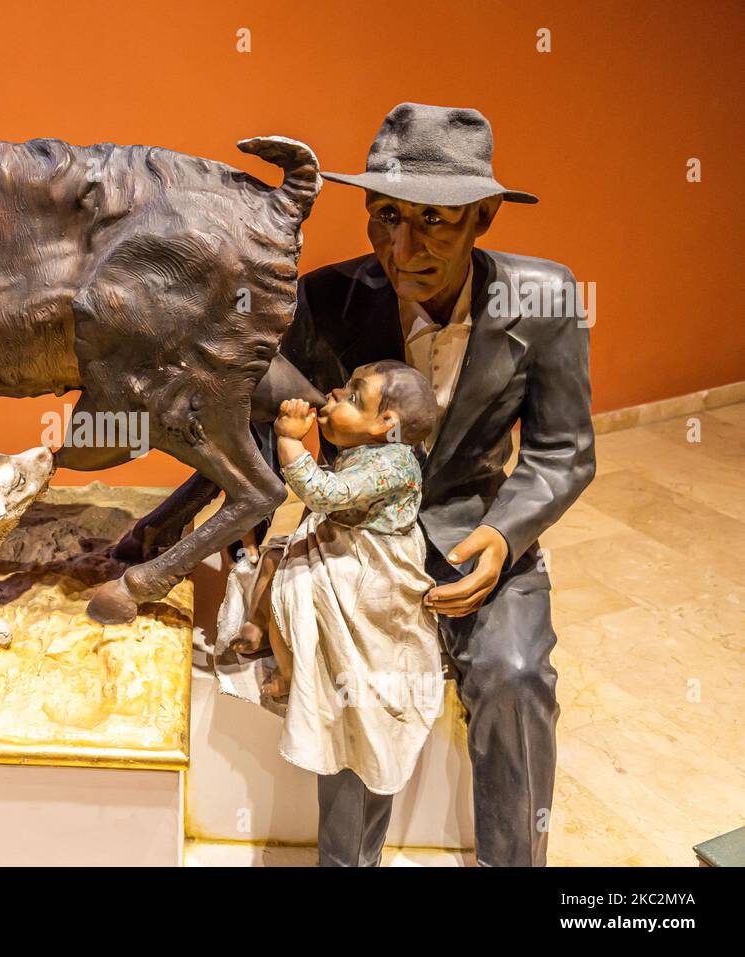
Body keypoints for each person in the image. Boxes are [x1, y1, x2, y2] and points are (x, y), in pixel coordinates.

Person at [274, 103, 596, 866]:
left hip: (478, 529)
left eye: (435, 221)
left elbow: (564, 451)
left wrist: (500, 538)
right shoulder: (328, 300)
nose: (402, 245)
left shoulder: (543, 299)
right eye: (384, 216)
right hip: (361, 542)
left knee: (516, 677)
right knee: (357, 681)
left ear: (484, 216)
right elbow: (267, 418)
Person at [237, 362, 445, 799]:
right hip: (343, 537)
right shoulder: (373, 450)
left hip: (371, 562)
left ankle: (292, 672)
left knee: (297, 587)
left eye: (353, 396)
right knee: (276, 556)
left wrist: (290, 441)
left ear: (386, 424)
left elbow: (326, 495)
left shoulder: (394, 464)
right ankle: (258, 624)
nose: (333, 392)